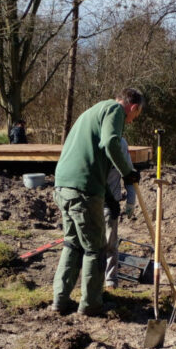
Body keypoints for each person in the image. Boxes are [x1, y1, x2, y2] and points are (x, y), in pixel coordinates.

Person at [51, 88, 143, 316]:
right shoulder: (115, 110)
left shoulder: (94, 110)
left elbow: (95, 163)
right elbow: (111, 143)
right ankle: (91, 304)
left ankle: (60, 301)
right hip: (84, 190)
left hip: (63, 185)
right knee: (95, 248)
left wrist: (110, 198)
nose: (132, 120)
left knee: (72, 243)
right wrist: (128, 173)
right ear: (133, 107)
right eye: (135, 115)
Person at [104, 137, 136, 289]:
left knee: (109, 244)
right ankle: (95, 283)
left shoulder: (120, 143)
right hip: (91, 202)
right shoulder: (89, 140)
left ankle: (110, 281)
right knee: (94, 247)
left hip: (108, 204)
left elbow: (128, 173)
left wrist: (131, 200)